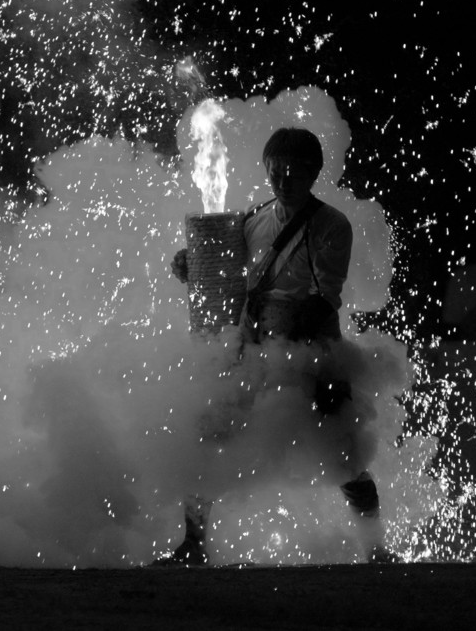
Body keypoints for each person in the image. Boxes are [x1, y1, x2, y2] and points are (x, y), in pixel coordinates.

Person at [166, 127, 387, 565]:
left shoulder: (332, 226)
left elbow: (325, 298)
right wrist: (190, 266)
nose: (283, 181)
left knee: (343, 452)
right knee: (211, 431)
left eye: (294, 172)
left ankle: (377, 549)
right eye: (276, 172)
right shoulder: (254, 220)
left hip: (313, 349)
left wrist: (284, 337)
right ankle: (193, 545)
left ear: (313, 173)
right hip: (257, 343)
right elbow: (224, 276)